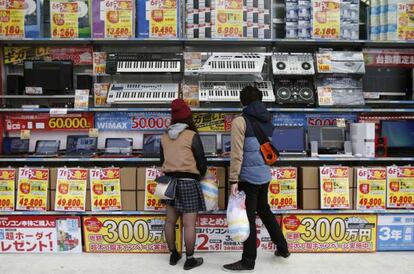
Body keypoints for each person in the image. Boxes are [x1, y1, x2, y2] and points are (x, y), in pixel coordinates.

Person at [223, 86, 290, 272]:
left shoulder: (240, 121)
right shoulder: (268, 119)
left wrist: (233, 180)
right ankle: (283, 248)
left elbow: (237, 154)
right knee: (265, 211)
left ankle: (248, 261)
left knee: (249, 218)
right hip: (264, 175)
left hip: (248, 178)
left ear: (242, 101)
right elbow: (260, 147)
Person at [160, 99, 207, 270]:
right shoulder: (192, 136)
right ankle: (190, 259)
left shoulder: (164, 136)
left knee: (170, 221)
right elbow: (202, 162)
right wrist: (199, 174)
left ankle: (173, 254)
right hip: (188, 182)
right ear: (188, 116)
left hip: (169, 183)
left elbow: (162, 160)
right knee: (189, 224)